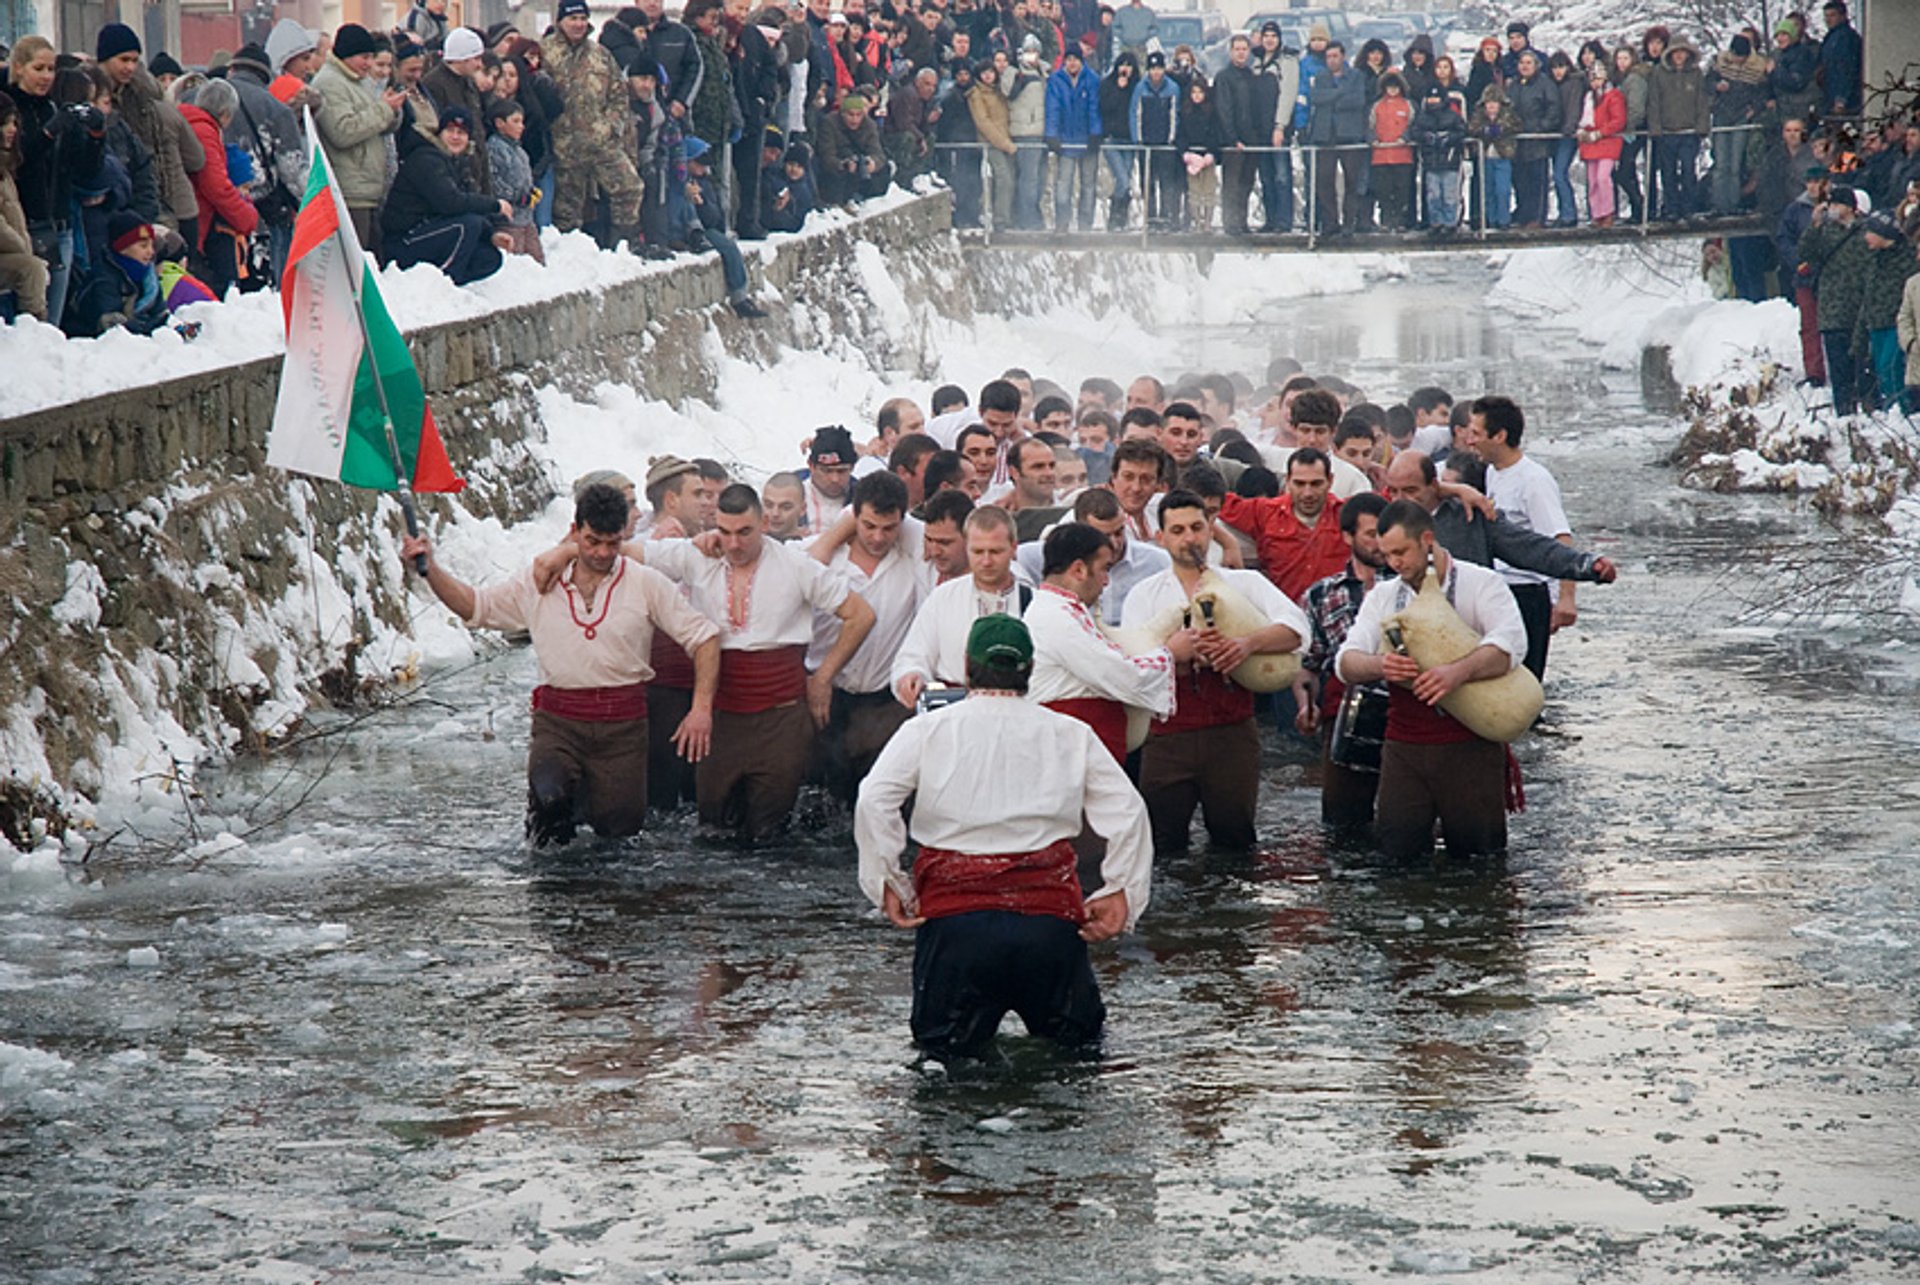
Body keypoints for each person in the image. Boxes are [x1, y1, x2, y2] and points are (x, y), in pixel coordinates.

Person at [855, 614, 1152, 1063]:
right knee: (1076, 1063)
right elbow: (1129, 812)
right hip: (1047, 927)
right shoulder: (1071, 733)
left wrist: (886, 881)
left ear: (966, 667)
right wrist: (1121, 891)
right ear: (1030, 671)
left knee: (943, 1068)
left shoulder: (926, 729)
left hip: (957, 929)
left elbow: (873, 799)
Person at [402, 483, 721, 844]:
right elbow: (476, 607)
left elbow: (705, 637)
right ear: (576, 530)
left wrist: (701, 709)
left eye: (612, 543)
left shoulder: (645, 583)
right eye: (592, 541)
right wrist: (430, 571)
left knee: (620, 837)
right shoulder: (540, 581)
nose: (602, 553)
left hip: (624, 727)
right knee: (548, 805)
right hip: (559, 723)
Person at [643, 484, 876, 840]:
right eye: (725, 532)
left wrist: (823, 676)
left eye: (744, 532)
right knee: (713, 830)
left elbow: (860, 615)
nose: (734, 544)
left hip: (780, 719)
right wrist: (564, 554)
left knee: (769, 835)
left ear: (764, 523)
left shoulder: (797, 565)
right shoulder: (698, 556)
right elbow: (628, 552)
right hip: (720, 718)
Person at [1336, 500, 1528, 861]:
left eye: (1401, 552)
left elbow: (1512, 644)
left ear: (1426, 539)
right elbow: (1346, 662)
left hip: (1470, 744)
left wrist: (1458, 671)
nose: (1394, 563)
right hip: (1404, 747)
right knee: (1396, 860)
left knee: (1479, 865)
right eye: (1387, 554)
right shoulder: (1384, 595)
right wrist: (1380, 666)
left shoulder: (1481, 583)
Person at [1123, 491, 1305, 852]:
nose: (1189, 537)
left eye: (1196, 527)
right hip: (1167, 737)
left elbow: (1298, 630)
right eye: (1178, 530)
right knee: (1162, 847)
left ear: (1211, 530)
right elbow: (1131, 667)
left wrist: (1245, 644)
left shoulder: (1244, 583)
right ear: (1161, 538)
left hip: (1231, 734)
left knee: (1236, 840)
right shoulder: (1143, 595)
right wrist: (1174, 653)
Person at [1025, 520, 1189, 763]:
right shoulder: (1055, 617)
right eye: (1104, 569)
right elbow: (1119, 675)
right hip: (1070, 752)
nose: (1106, 581)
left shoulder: (1063, 610)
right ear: (1079, 570)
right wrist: (1170, 654)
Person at [812, 472, 927, 802]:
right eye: (868, 526)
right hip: (827, 695)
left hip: (884, 700)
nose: (877, 537)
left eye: (889, 528)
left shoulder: (913, 560)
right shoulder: (825, 560)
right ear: (855, 518)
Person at [1293, 490, 1390, 830]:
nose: (1382, 542)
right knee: (1342, 822)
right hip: (1344, 715)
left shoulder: (1414, 585)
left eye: (1387, 532)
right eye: (1372, 534)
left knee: (1403, 818)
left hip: (1405, 711)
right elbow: (1308, 664)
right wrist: (1306, 704)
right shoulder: (1320, 595)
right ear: (1348, 536)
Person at [1472, 397, 1576, 681]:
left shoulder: (1534, 480)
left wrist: (1565, 598)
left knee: (1523, 681)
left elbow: (1560, 539)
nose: (1470, 441)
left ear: (1500, 436)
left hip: (1528, 593)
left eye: (1477, 434)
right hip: (1498, 588)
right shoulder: (1493, 473)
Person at [892, 505, 1029, 704]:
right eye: (978, 551)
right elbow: (913, 656)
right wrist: (911, 676)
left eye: (995, 551)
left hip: (1018, 712)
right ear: (967, 548)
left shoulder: (1034, 601)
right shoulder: (943, 597)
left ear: (1013, 548)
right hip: (953, 713)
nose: (986, 561)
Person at [543, 0, 645, 248]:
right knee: (567, 208)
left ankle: (624, 244)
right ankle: (569, 254)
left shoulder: (600, 55)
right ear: (560, 22)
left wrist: (610, 125)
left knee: (629, 187)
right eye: (572, 19)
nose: (578, 24)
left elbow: (619, 94)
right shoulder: (545, 52)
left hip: (600, 142)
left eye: (582, 19)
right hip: (564, 145)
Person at [312, 24, 405, 253]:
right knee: (359, 266)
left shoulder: (357, 80)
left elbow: (374, 123)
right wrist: (384, 109)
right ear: (346, 55)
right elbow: (343, 131)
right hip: (349, 191)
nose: (369, 64)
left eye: (371, 57)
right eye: (364, 57)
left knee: (373, 263)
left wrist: (393, 111)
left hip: (367, 189)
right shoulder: (329, 83)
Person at [1218, 447, 1348, 601]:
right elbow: (1208, 503)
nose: (1308, 493)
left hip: (1336, 616)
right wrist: (1227, 542)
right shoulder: (1265, 512)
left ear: (1330, 481)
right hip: (1286, 614)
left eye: (1316, 484)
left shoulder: (1347, 514)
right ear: (1287, 481)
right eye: (1299, 484)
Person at [676, 136, 768, 318]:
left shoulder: (705, 183)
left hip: (707, 228)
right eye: (698, 163)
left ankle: (742, 293)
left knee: (729, 245)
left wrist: (701, 203)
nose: (704, 168)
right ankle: (739, 299)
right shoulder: (678, 183)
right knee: (729, 248)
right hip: (687, 231)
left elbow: (714, 216)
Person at [1797, 186, 1869, 414]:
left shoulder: (1865, 232)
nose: (1833, 209)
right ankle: (1844, 412)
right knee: (1839, 369)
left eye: (1837, 204)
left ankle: (1870, 413)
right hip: (1832, 310)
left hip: (1859, 309)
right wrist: (1814, 226)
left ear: (1850, 207)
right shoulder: (1824, 233)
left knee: (1863, 367)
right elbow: (1805, 253)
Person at [1304, 41, 1369, 236]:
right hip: (1325, 135)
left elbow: (1358, 100)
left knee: (1352, 181)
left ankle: (1349, 222)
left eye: (1335, 56)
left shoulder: (1356, 76)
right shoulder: (1322, 76)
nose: (1332, 60)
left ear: (1343, 56)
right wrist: (1339, 93)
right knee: (1324, 180)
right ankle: (1330, 222)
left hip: (1349, 134)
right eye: (1328, 57)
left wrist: (1331, 98)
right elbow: (1315, 98)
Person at [0, 96, 51, 322]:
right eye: (5, 123)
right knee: (30, 269)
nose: (12, 130)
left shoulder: (5, 167)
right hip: (9, 253)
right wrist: (22, 248)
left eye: (14, 123)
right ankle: (32, 329)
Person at [1647, 39, 1708, 221]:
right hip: (1667, 133)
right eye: (1676, 52)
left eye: (1683, 52)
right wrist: (1655, 127)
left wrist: (1702, 126)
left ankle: (1689, 207)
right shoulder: (1659, 73)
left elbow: (1702, 102)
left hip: (1689, 133)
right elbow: (1654, 102)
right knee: (1668, 173)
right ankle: (1671, 208)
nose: (1679, 56)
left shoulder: (1696, 74)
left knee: (1689, 171)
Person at [1046, 46, 1103, 233]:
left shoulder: (1092, 79)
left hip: (1087, 140)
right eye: (1068, 59)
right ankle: (1062, 223)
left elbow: (1094, 108)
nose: (1072, 63)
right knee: (1063, 186)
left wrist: (1096, 133)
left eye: (1075, 59)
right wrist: (1052, 134)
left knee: (1088, 186)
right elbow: (1052, 108)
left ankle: (1085, 225)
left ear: (1081, 61)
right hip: (1065, 141)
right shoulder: (1056, 80)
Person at [814, 94, 892, 204]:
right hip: (840, 164)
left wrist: (873, 164)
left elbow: (877, 152)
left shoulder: (870, 125)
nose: (855, 119)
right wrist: (843, 165)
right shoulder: (829, 123)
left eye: (858, 115)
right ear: (842, 114)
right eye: (851, 115)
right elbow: (827, 155)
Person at [1409, 82, 1466, 233]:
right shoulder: (1422, 117)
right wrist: (1426, 137)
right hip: (1430, 162)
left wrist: (1449, 138)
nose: (1433, 101)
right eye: (1430, 98)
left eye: (1436, 98)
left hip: (1450, 160)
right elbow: (1415, 132)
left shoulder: (1452, 116)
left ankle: (1450, 222)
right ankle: (1436, 222)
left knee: (1449, 194)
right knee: (1433, 195)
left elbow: (1462, 131)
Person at [1577, 62, 1625, 227]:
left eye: (1597, 79)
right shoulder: (1589, 98)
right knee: (1593, 180)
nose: (1595, 83)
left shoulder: (1613, 96)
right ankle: (1597, 213)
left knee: (1603, 177)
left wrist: (1600, 132)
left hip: (1607, 141)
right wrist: (1583, 131)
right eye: (1592, 80)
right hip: (1591, 143)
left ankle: (1608, 212)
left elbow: (1618, 120)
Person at [1817, 0, 1863, 119]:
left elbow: (1847, 69)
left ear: (1843, 16)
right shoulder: (1830, 38)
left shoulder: (1846, 38)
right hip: (1830, 95)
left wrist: (1842, 98)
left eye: (1832, 15)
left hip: (1846, 98)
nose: (1828, 19)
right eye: (1826, 16)